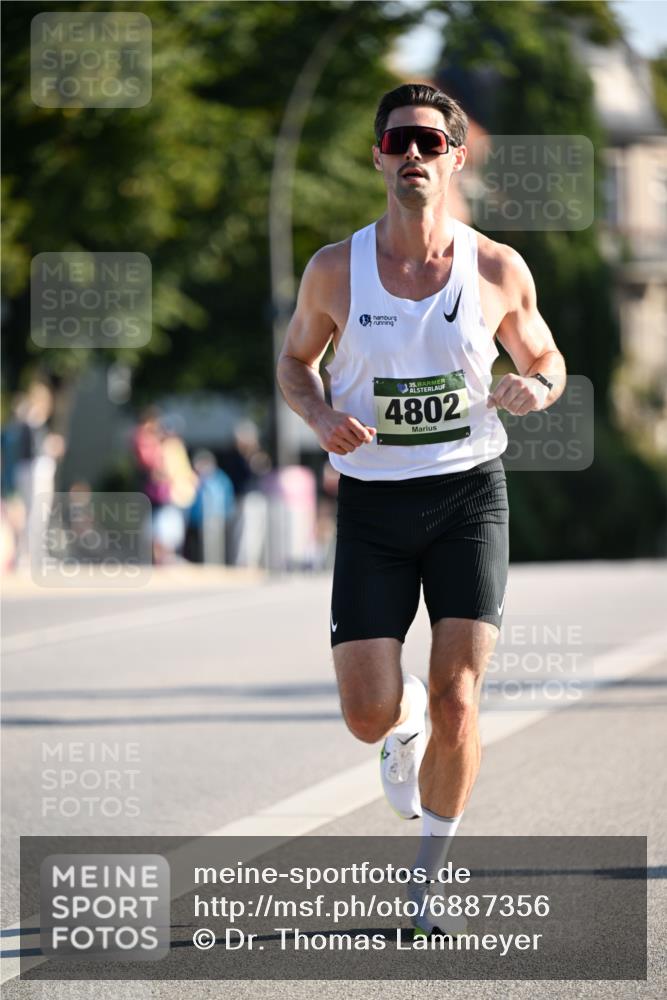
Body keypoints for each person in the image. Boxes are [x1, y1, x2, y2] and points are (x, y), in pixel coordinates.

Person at [276, 83, 565, 936]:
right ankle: (397, 731)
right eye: (398, 140)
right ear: (377, 155)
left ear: (454, 157)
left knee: (460, 697)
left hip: (469, 494)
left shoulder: (496, 269)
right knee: (368, 710)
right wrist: (321, 413)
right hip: (371, 502)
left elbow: (546, 358)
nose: (413, 154)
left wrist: (533, 387)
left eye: (430, 143)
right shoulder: (336, 267)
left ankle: (426, 886)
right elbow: (295, 362)